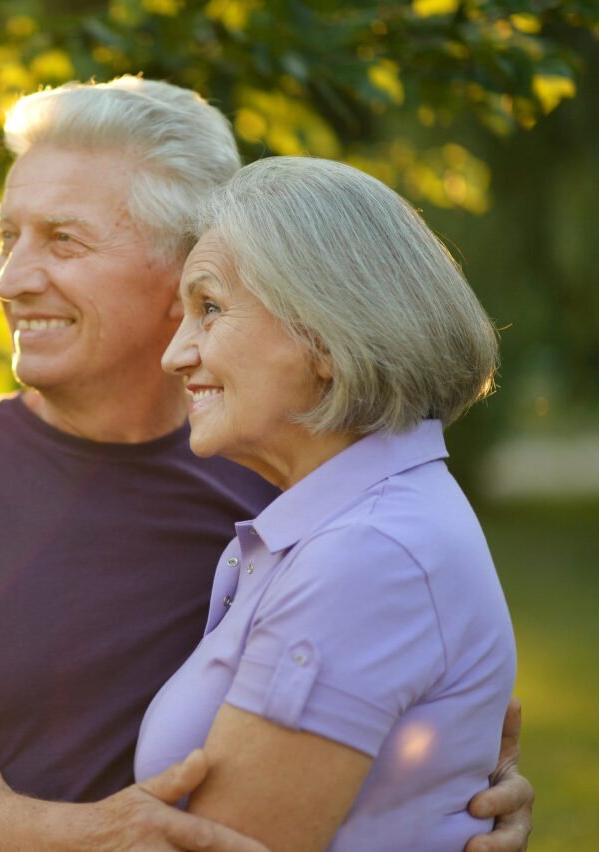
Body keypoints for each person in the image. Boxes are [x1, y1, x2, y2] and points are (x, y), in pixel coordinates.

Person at [0, 77, 533, 850]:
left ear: (185, 271)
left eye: (63, 239)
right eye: (8, 236)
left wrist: (439, 792)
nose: (11, 279)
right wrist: (82, 838)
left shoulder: (294, 478)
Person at [140, 155, 517, 850]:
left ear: (325, 338)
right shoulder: (348, 527)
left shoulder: (367, 555)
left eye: (210, 309)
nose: (175, 354)